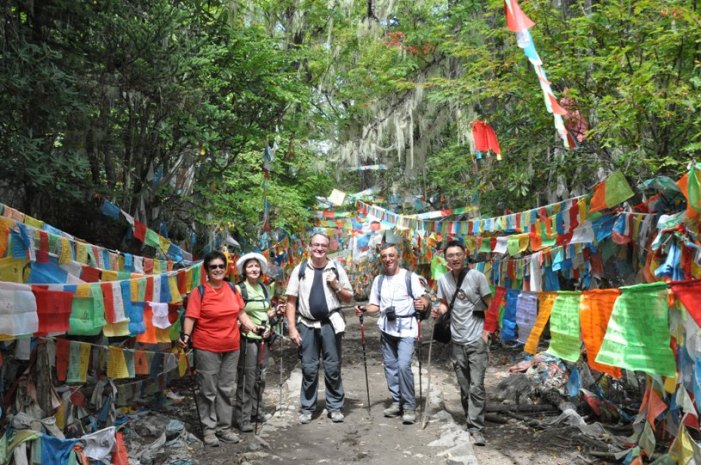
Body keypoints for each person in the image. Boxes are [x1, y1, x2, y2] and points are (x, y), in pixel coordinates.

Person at [179, 251, 261, 447]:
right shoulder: (200, 292)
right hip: (206, 346)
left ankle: (224, 428)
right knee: (208, 390)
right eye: (213, 266)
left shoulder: (232, 289)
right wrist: (186, 337)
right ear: (207, 270)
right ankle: (209, 430)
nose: (217, 270)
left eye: (221, 266)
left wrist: (255, 327)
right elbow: (191, 317)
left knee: (226, 388)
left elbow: (240, 313)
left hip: (232, 346)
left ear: (226, 269)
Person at [354, 243, 430, 424]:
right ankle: (397, 402)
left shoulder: (409, 277)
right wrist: (364, 309)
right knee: (390, 366)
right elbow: (375, 306)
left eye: (391, 255)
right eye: (384, 256)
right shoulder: (378, 280)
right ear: (381, 259)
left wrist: (424, 304)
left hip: (407, 327)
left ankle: (410, 405)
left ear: (398, 257)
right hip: (387, 327)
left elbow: (424, 298)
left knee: (403, 365)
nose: (388, 259)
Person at [285, 232, 353, 424]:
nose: (319, 249)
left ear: (328, 247)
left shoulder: (336, 268)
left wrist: (335, 285)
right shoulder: (299, 270)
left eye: (323, 245)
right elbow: (291, 301)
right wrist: (292, 328)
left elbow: (349, 297)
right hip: (306, 324)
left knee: (332, 366)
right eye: (316, 245)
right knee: (309, 368)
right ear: (309, 246)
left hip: (331, 323)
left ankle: (335, 406)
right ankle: (307, 407)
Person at [432, 240, 493, 446]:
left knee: (476, 386)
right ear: (445, 258)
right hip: (457, 341)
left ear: (465, 255)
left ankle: (476, 427)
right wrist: (438, 311)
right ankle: (470, 419)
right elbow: (443, 304)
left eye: (458, 254)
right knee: (465, 386)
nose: (455, 258)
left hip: (476, 340)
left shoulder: (477, 277)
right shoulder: (443, 280)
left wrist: (486, 332)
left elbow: (490, 304)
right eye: (450, 255)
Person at [233, 252, 278, 433]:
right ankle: (243, 418)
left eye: (256, 266)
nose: (254, 269)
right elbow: (234, 313)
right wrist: (242, 326)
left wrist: (273, 314)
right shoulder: (238, 289)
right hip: (247, 340)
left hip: (263, 339)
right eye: (250, 266)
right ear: (244, 270)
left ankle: (256, 411)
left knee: (261, 377)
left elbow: (264, 313)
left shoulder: (264, 288)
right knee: (247, 378)